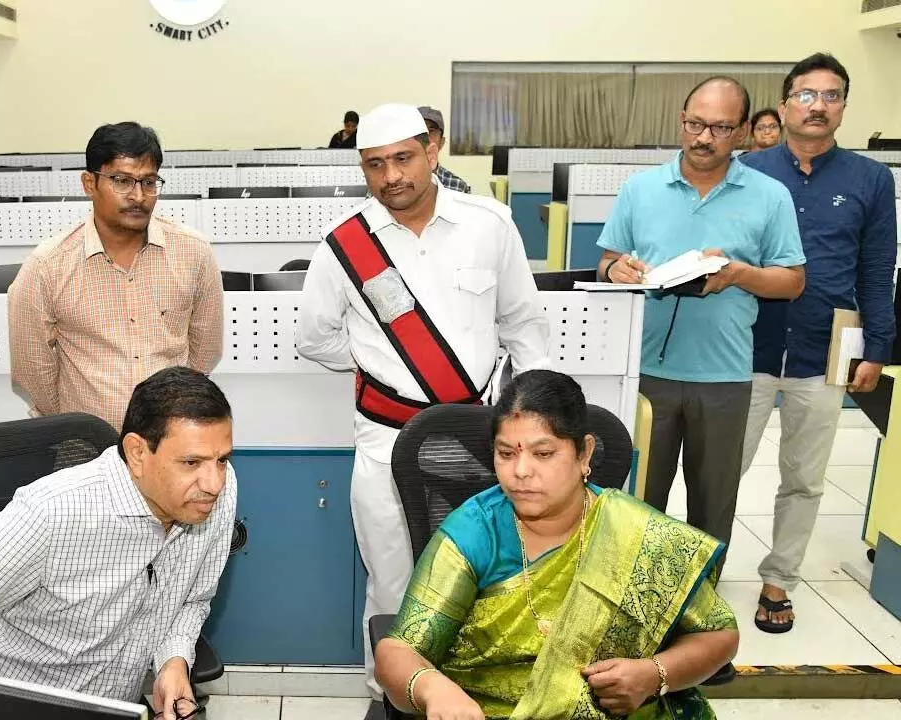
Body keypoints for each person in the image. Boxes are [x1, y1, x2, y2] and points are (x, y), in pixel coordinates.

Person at [296, 103, 551, 712]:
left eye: (403, 159)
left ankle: (475, 691)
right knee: (392, 580)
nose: (391, 177)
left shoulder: (489, 224)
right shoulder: (344, 246)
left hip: (480, 438)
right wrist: (381, 365)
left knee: (487, 574)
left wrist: (538, 421)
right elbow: (315, 338)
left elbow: (523, 324)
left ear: (433, 151)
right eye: (375, 164)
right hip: (386, 438)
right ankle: (390, 697)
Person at [375, 370, 739, 720]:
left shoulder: (634, 532)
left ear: (584, 454)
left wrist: (655, 674)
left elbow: (720, 635)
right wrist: (433, 687)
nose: (520, 471)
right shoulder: (475, 532)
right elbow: (398, 650)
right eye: (506, 453)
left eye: (543, 454)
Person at [0, 366, 236, 720]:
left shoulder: (214, 494)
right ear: (138, 453)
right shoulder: (52, 514)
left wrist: (173, 661)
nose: (213, 482)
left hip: (115, 706)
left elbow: (192, 598)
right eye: (191, 462)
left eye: (221, 460)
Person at [597, 76, 806, 574]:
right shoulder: (640, 189)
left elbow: (792, 280)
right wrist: (616, 269)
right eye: (695, 124)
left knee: (712, 502)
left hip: (725, 375)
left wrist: (739, 274)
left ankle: (700, 597)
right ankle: (634, 591)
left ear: (742, 133)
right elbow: (607, 260)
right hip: (645, 369)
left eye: (720, 127)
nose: (704, 137)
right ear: (681, 121)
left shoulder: (769, 196)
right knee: (638, 498)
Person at [739, 53, 897, 633]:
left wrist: (876, 346)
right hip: (745, 342)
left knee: (805, 477)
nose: (818, 105)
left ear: (843, 107)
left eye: (831, 95)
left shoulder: (871, 180)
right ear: (784, 105)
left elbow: (878, 270)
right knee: (724, 470)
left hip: (829, 343)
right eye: (807, 94)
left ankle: (779, 579)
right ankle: (703, 577)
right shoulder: (748, 172)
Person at [8, 122, 223, 430]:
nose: (138, 195)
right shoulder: (48, 266)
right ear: (89, 183)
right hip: (87, 443)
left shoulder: (194, 253)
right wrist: (76, 425)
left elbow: (205, 352)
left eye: (149, 182)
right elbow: (32, 370)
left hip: (169, 437)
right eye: (122, 181)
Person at [418, 106, 472, 193]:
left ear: (441, 143)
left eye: (431, 131)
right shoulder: (395, 182)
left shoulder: (457, 186)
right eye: (420, 130)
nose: (425, 136)